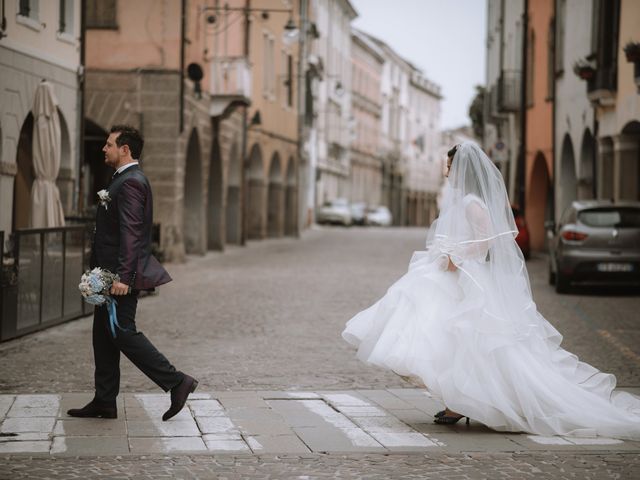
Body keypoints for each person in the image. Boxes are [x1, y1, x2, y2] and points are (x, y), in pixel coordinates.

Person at [343, 141, 640, 439]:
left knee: (472, 341)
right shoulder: (462, 201)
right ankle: (457, 400)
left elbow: (487, 241)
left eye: (450, 167)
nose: (447, 173)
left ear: (463, 170)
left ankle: (465, 401)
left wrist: (455, 257)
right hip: (456, 275)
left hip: (468, 277)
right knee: (450, 339)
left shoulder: (473, 203)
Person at [68, 125, 198, 422]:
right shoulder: (122, 180)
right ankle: (104, 401)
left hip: (118, 276)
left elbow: (131, 233)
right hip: (108, 274)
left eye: (109, 144)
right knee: (103, 336)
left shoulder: (130, 183)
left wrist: (124, 277)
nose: (104, 148)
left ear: (125, 149)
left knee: (122, 332)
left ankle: (177, 382)